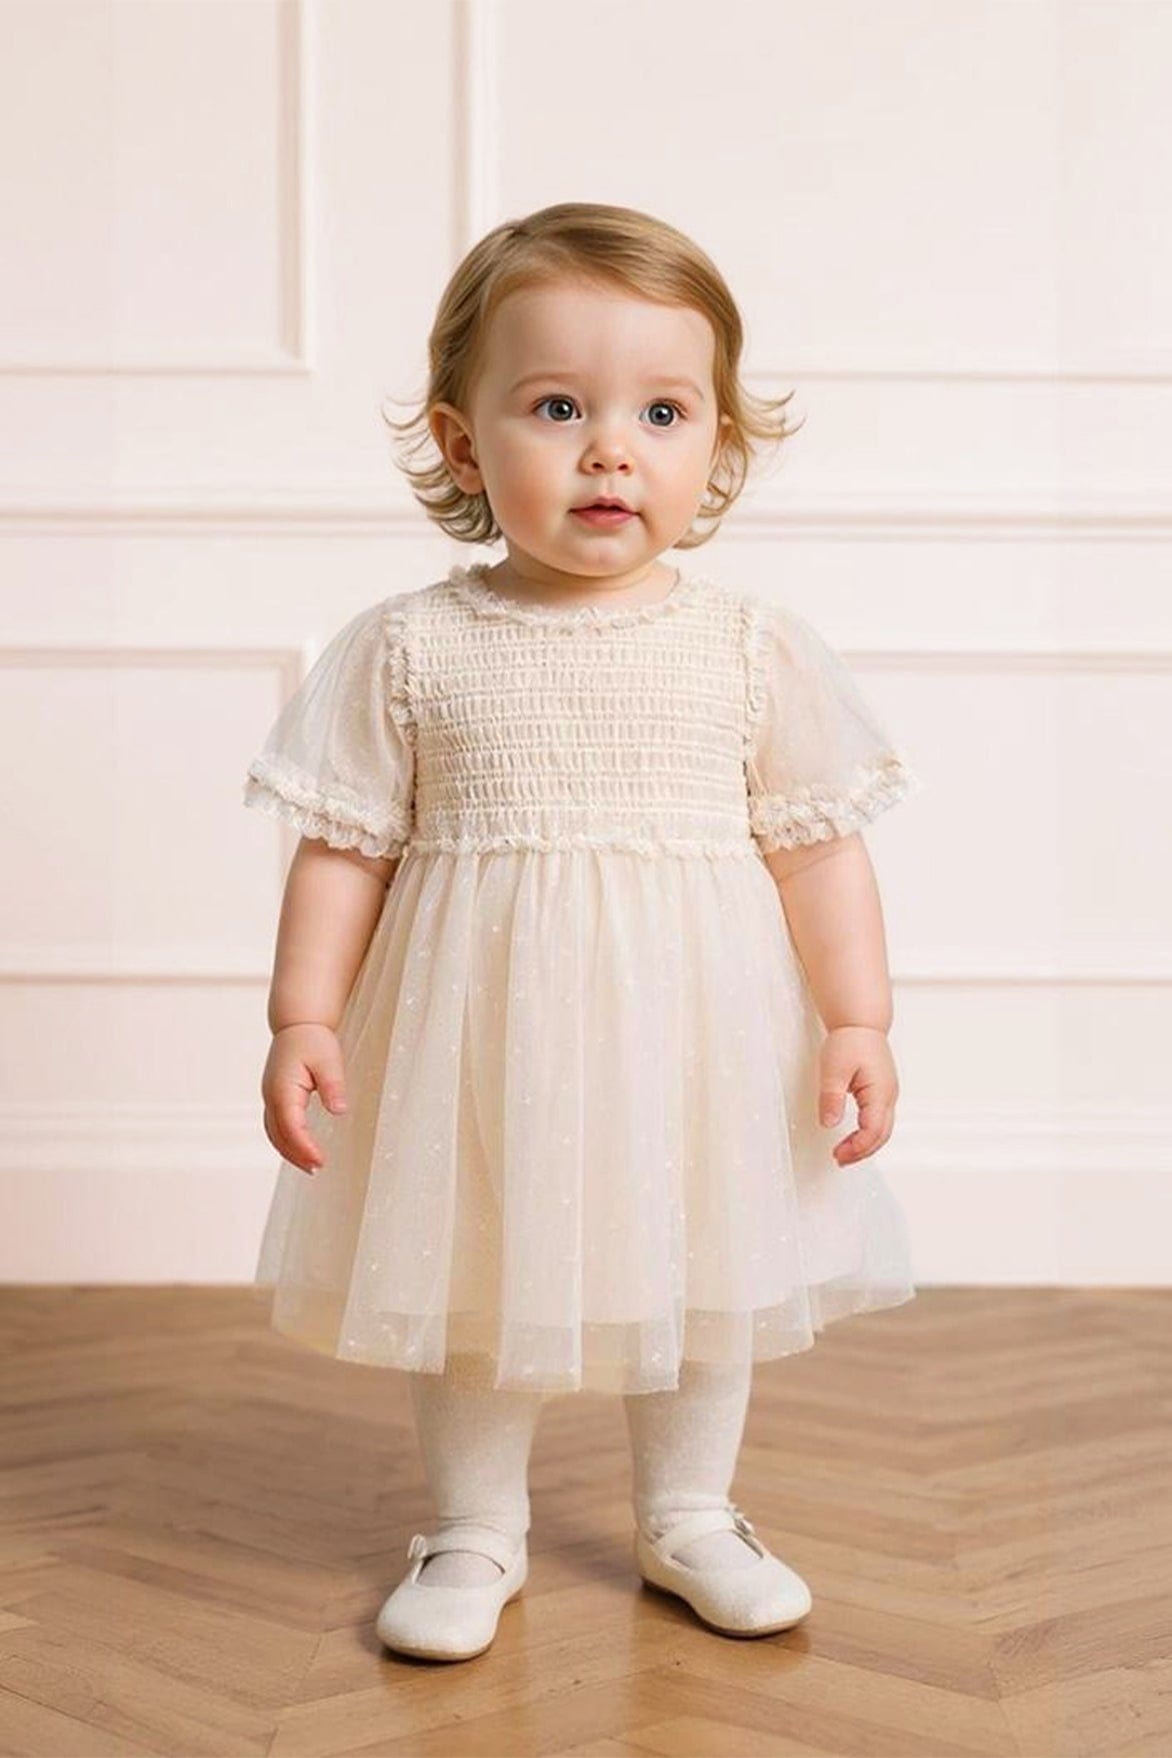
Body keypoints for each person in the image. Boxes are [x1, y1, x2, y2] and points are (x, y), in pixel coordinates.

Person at [241, 202, 924, 1661]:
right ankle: (472, 1525)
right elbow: (345, 848)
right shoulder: (413, 645)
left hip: (698, 1040)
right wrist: (303, 1014)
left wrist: (857, 1017)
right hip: (480, 1040)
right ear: (461, 442)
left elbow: (817, 852)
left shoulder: (748, 647)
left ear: (717, 445)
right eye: (559, 408)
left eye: (662, 413)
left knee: (705, 1264)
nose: (613, 450)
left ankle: (692, 1509)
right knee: (474, 1267)